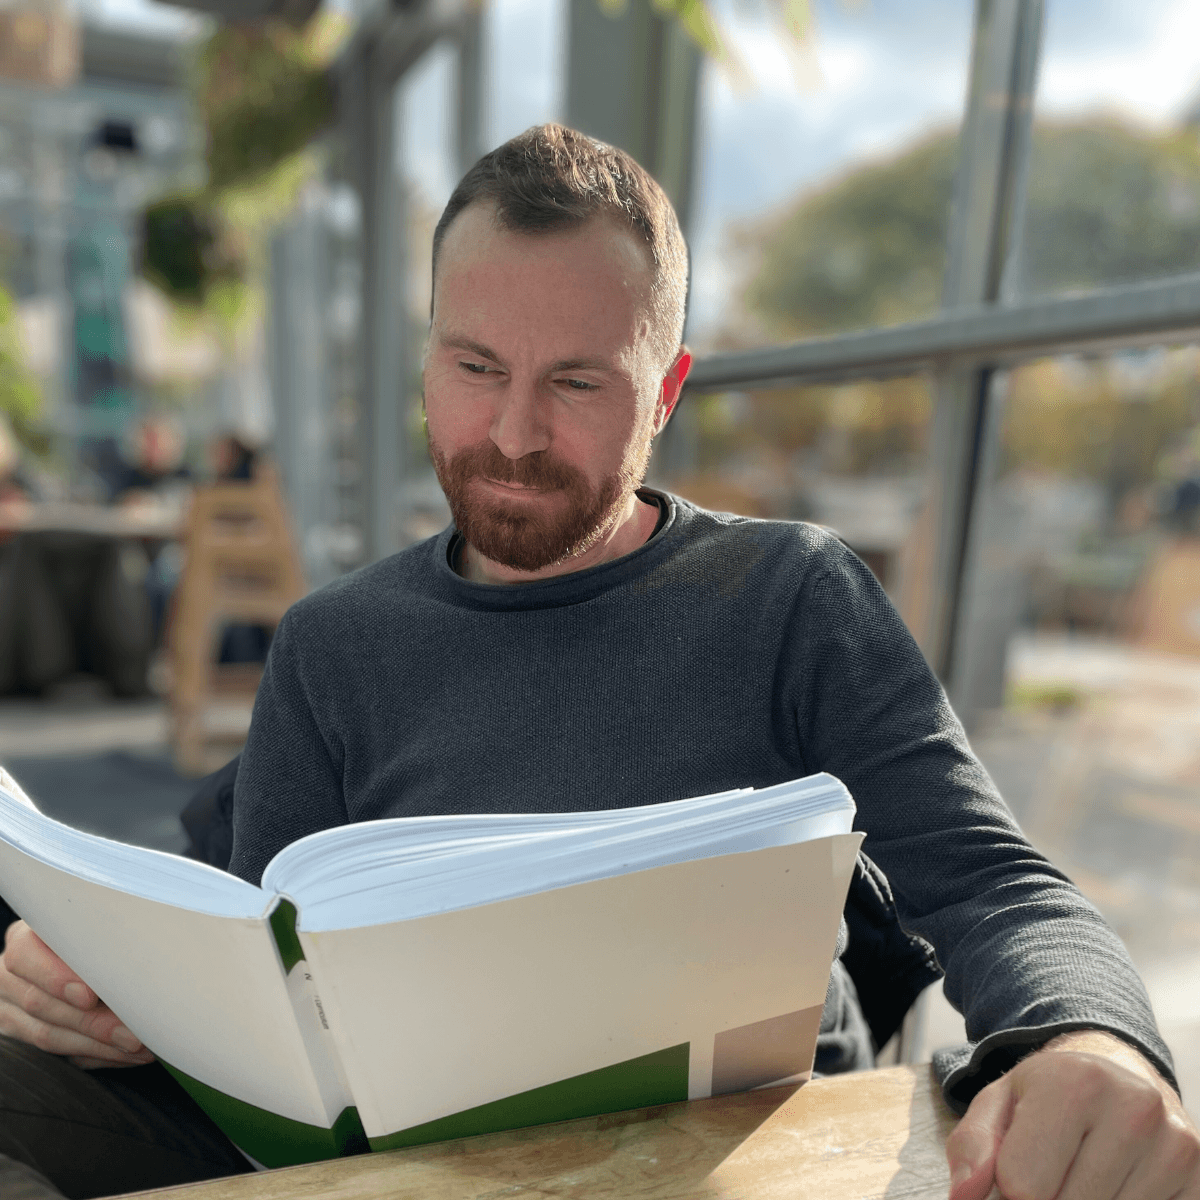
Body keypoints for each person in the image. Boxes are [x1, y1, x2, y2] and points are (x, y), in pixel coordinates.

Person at [0, 124, 1197, 1200]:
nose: (513, 435)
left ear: (668, 392)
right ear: (426, 358)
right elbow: (270, 1002)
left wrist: (1091, 1038)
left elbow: (996, 884)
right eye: (475, 369)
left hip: (742, 1163)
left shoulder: (786, 593)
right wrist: (121, 1000)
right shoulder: (334, 644)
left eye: (578, 383)